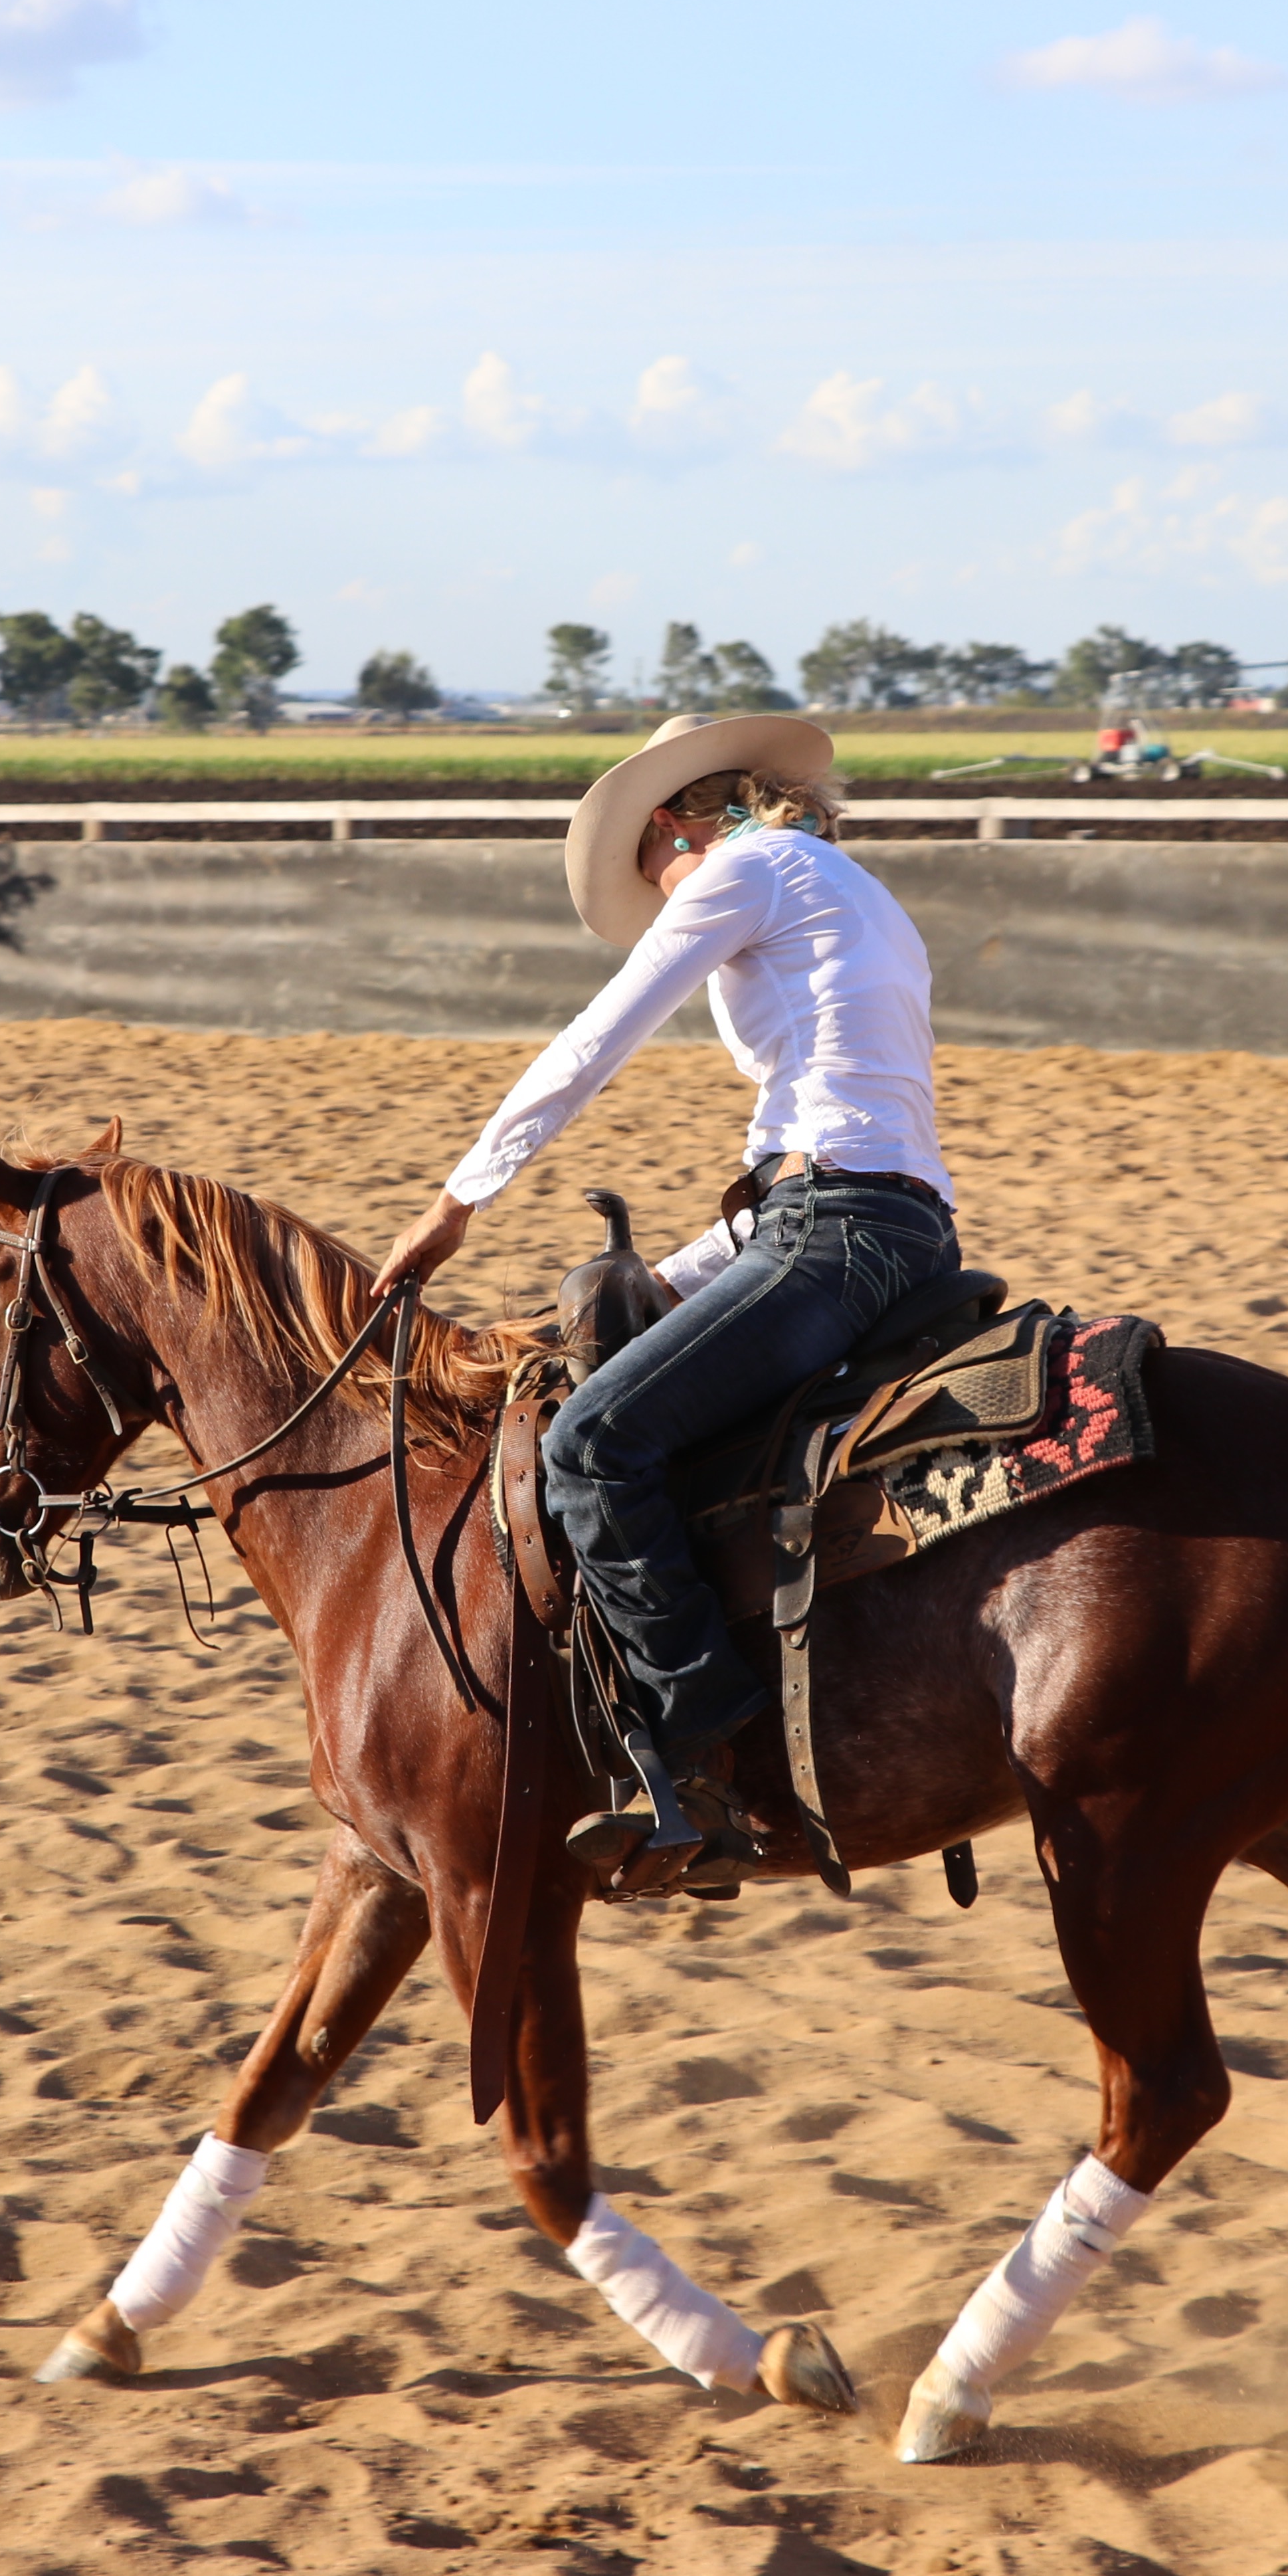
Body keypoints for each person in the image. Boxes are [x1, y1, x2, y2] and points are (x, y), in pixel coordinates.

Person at [370, 712, 960, 1895]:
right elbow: (833, 1131)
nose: (661, 886)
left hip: (832, 1228)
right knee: (604, 1338)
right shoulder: (849, 887)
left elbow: (597, 1039)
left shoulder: (739, 865)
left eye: (653, 868)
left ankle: (697, 1754)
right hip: (899, 1227)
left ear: (673, 822)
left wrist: (457, 1204)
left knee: (593, 1447)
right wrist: (679, 1270)